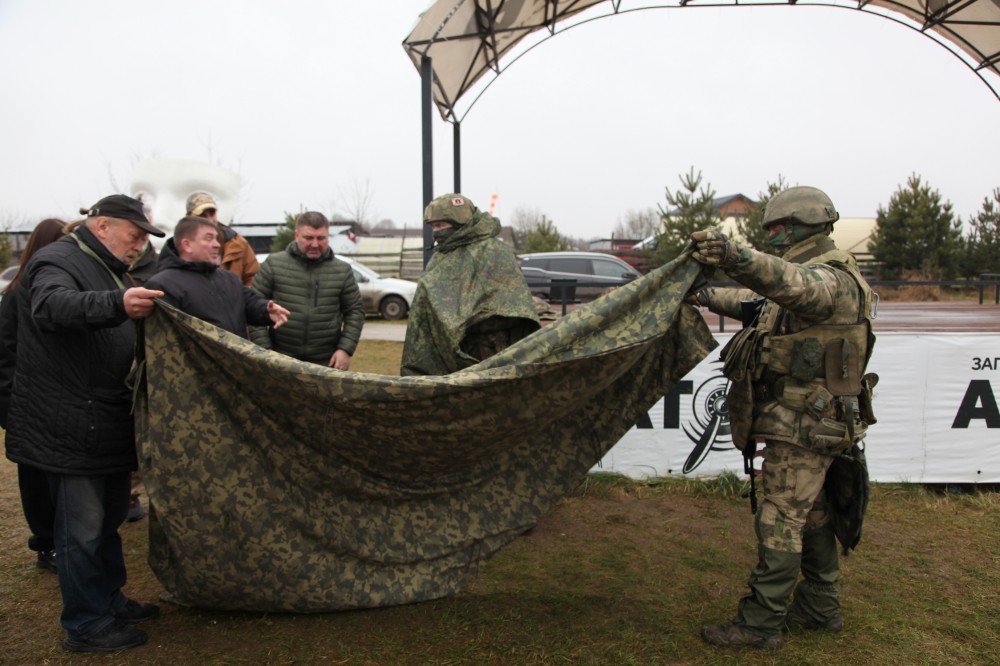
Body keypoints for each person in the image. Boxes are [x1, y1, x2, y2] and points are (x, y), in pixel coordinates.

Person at [687, 186, 877, 649]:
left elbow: (790, 284)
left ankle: (759, 624)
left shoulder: (829, 279)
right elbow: (759, 305)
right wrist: (703, 294)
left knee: (780, 518)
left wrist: (734, 254)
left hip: (805, 426)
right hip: (815, 422)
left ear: (801, 225)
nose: (771, 235)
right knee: (810, 515)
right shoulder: (815, 278)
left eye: (775, 227)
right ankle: (818, 607)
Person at [3, 194, 166, 653]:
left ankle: (108, 600)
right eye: (134, 236)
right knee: (80, 530)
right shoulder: (56, 261)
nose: (138, 246)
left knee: (108, 520)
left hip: (104, 418)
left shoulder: (109, 266)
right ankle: (86, 624)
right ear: (102, 227)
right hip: (70, 422)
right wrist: (118, 302)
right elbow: (53, 307)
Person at [401, 193, 540, 376]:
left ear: (459, 222)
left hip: (493, 349)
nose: (436, 231)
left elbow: (513, 305)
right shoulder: (442, 256)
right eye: (433, 226)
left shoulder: (494, 251)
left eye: (441, 225)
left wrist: (472, 320)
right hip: (450, 351)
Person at [0, 217, 66, 573]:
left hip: (56, 402)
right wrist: (10, 409)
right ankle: (46, 544)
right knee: (37, 480)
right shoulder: (16, 296)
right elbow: (4, 356)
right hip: (25, 406)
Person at [251, 211, 364, 369]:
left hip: (327, 363)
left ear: (328, 236)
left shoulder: (342, 270)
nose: (315, 244)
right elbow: (255, 309)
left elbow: (355, 311)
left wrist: (345, 349)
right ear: (296, 235)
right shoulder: (274, 265)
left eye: (321, 238)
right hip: (280, 360)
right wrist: (265, 351)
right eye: (308, 238)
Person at [145, 216, 289, 337]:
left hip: (232, 366)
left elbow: (249, 303)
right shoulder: (163, 285)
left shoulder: (229, 279)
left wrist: (265, 310)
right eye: (208, 239)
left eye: (216, 239)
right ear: (187, 245)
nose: (217, 245)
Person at [186, 191, 259, 286]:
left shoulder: (237, 243)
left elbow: (253, 277)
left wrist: (242, 298)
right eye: (202, 215)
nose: (209, 219)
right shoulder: (179, 246)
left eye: (212, 213)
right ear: (188, 217)